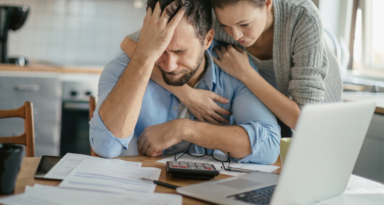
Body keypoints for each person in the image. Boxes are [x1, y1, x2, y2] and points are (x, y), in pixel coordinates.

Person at [89, 0, 281, 164]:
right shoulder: (123, 69)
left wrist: (185, 129)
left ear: (207, 40)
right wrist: (145, 57)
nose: (169, 65)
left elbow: (270, 147)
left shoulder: (233, 69)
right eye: (161, 50)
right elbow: (105, 146)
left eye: (180, 52)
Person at [121, 0, 343, 137]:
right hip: (273, 116)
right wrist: (187, 95)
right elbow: (131, 44)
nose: (235, 35)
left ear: (267, 3)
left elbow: (306, 119)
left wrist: (245, 73)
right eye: (226, 25)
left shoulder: (302, 18)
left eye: (244, 24)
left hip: (320, 121)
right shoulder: (217, 18)